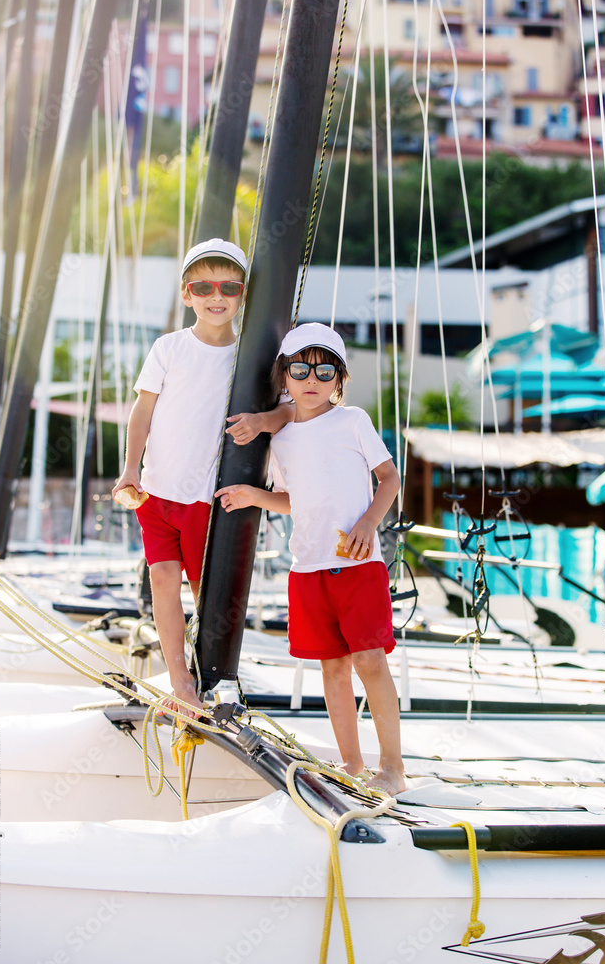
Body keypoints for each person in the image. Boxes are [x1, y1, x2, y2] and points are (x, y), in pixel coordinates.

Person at [216, 323, 406, 796]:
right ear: (285, 375)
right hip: (307, 568)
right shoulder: (280, 441)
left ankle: (394, 768)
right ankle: (351, 763)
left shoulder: (353, 421)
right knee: (332, 669)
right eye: (300, 368)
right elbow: (292, 498)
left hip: (358, 563)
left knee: (370, 662)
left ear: (339, 378)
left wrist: (367, 524)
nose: (311, 379)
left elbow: (389, 479)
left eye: (324, 370)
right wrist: (255, 496)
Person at [112, 238, 294, 717]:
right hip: (156, 491)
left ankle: (215, 676)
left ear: (242, 295)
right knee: (162, 582)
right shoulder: (168, 348)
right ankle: (180, 681)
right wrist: (130, 469)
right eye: (204, 286)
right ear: (187, 293)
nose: (217, 295)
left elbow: (290, 409)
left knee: (206, 591)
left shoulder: (251, 358)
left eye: (229, 287)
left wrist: (261, 422)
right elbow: (141, 411)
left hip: (204, 499)